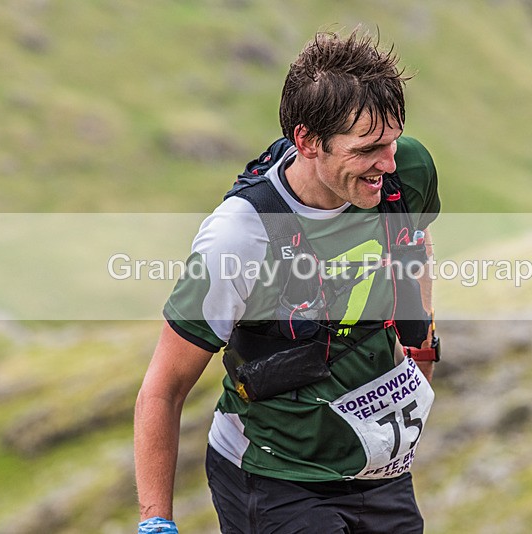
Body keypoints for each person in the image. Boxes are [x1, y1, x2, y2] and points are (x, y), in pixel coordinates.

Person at [134, 29, 441, 534]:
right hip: (276, 481)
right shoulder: (239, 236)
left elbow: (414, 245)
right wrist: (157, 521)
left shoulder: (406, 170)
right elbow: (162, 389)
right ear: (307, 142)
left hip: (381, 475)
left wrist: (422, 349)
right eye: (368, 149)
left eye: (392, 141)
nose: (387, 163)